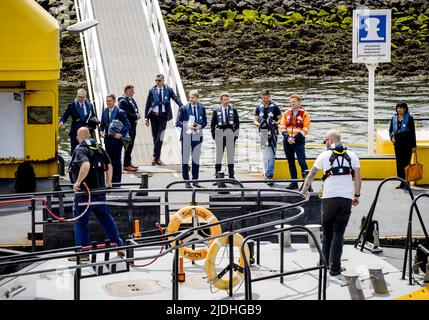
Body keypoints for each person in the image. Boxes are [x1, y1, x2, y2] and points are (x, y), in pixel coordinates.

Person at [301, 130, 361, 276]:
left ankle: (323, 262)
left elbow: (311, 174)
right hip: (346, 199)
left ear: (330, 140)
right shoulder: (353, 156)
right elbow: (358, 178)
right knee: (339, 233)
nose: (325, 144)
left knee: (327, 232)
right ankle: (335, 268)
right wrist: (357, 195)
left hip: (329, 199)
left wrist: (304, 190)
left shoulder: (324, 155)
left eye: (325, 141)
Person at [69, 127, 123, 259]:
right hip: (100, 194)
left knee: (80, 223)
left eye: (77, 136)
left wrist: (77, 183)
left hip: (84, 196)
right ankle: (119, 246)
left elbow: (85, 165)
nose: (76, 138)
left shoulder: (81, 150)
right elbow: (109, 165)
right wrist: (108, 182)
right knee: (106, 219)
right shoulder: (98, 148)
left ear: (79, 137)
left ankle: (84, 253)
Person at [144, 74, 183, 165]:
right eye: (156, 80)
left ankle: (154, 156)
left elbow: (175, 98)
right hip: (153, 116)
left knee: (160, 137)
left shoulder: (168, 90)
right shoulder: (152, 90)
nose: (157, 82)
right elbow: (148, 104)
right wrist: (146, 117)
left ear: (163, 80)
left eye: (159, 80)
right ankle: (157, 157)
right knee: (155, 137)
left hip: (163, 117)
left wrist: (183, 106)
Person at [176, 90, 207, 188]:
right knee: (185, 159)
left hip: (197, 135)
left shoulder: (202, 107)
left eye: (193, 97)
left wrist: (200, 126)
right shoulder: (183, 108)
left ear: (197, 98)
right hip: (186, 135)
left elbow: (205, 121)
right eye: (190, 97)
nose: (191, 99)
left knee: (196, 159)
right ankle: (186, 180)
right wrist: (187, 125)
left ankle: (195, 180)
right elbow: (178, 122)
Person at [280, 94, 310, 190]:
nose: (292, 103)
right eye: (291, 102)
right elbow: (282, 126)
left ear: (299, 102)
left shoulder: (305, 114)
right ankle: (294, 182)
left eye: (294, 102)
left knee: (302, 162)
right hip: (287, 141)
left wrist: (295, 138)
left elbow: (306, 128)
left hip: (299, 141)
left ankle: (307, 185)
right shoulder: (286, 113)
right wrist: (287, 137)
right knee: (291, 162)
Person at [100, 94, 131, 183]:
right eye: (107, 101)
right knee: (109, 160)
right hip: (108, 140)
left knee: (116, 160)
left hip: (117, 140)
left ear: (114, 101)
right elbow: (102, 125)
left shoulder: (120, 112)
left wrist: (121, 134)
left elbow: (128, 125)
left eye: (109, 101)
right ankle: (110, 179)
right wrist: (101, 131)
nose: (108, 102)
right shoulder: (105, 111)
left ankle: (117, 181)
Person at [253, 89, 282, 185]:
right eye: (264, 98)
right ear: (261, 97)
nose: (265, 99)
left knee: (272, 154)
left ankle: (270, 175)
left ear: (270, 97)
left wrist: (275, 123)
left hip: (273, 133)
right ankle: (267, 174)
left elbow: (280, 119)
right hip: (263, 133)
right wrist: (259, 125)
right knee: (265, 155)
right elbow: (255, 120)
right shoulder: (258, 107)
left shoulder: (275, 107)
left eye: (267, 97)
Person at [211, 92, 240, 180]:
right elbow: (212, 125)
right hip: (220, 133)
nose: (227, 101)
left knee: (230, 156)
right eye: (225, 100)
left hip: (230, 133)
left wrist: (235, 136)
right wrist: (214, 137)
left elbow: (237, 124)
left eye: (228, 99)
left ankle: (231, 175)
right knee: (219, 155)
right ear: (221, 101)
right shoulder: (216, 111)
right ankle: (217, 175)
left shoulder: (233, 110)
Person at [59, 88, 97, 155]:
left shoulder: (90, 105)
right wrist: (61, 122)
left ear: (85, 97)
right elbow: (65, 115)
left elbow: (93, 116)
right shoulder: (72, 105)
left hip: (87, 132)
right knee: (75, 151)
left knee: (89, 151)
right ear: (76, 95)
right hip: (76, 132)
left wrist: (92, 125)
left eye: (82, 97)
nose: (80, 99)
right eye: (79, 97)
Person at [389, 102, 417, 189]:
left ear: (405, 109)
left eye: (401, 108)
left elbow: (413, 132)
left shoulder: (410, 118)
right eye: (398, 108)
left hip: (407, 144)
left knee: (406, 163)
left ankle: (407, 182)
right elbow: (390, 131)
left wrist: (414, 145)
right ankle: (401, 182)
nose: (399, 109)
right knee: (399, 163)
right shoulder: (393, 118)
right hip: (397, 144)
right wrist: (392, 137)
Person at [118, 84, 140, 172]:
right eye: (132, 91)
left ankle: (128, 162)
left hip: (133, 125)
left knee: (131, 145)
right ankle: (126, 164)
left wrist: (137, 115)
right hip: (128, 127)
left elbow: (134, 109)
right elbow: (125, 113)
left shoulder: (130, 99)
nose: (133, 92)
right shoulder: (122, 101)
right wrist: (135, 116)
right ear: (127, 91)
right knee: (128, 145)